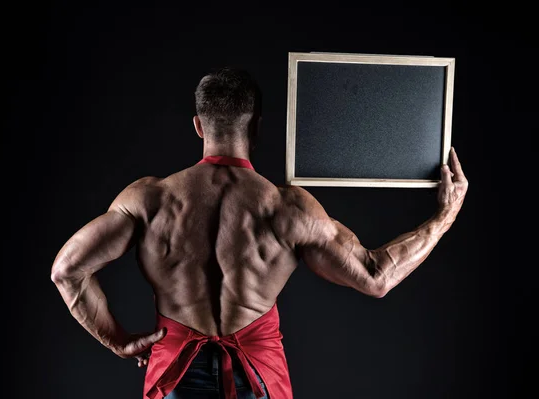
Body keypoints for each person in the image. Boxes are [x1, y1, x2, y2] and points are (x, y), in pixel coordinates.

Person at [51, 67, 468, 399]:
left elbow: (66, 270)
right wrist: (446, 213)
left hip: (175, 377)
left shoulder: (150, 200)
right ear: (256, 128)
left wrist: (118, 342)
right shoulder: (286, 208)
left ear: (198, 126)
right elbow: (377, 276)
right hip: (258, 382)